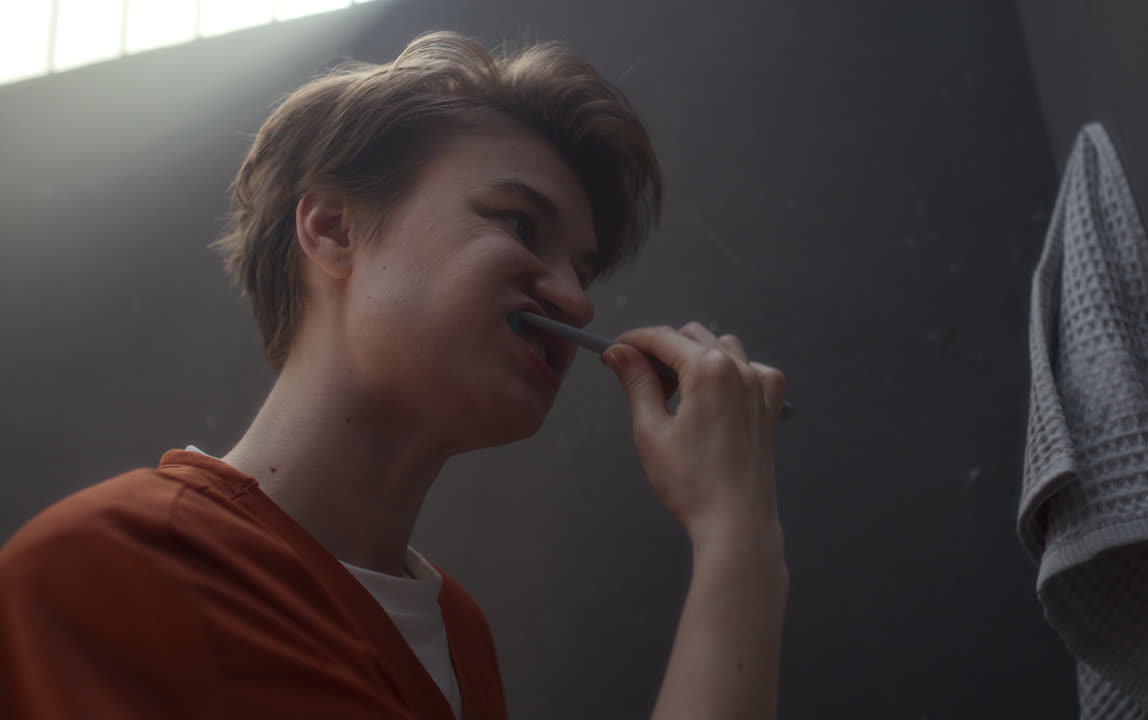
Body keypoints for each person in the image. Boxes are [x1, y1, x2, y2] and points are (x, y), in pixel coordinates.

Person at [0, 31, 788, 719]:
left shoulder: (456, 629)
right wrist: (735, 535)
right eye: (518, 222)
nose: (577, 301)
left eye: (583, 268)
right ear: (334, 229)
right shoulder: (114, 566)